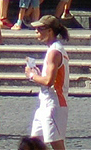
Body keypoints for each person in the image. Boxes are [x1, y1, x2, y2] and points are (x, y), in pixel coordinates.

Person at [23, 16, 68, 150]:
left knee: (56, 144)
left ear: (50, 31)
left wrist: (31, 75)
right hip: (46, 103)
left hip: (54, 104)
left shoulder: (54, 52)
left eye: (39, 29)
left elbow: (49, 81)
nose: (36, 31)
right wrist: (37, 73)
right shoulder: (53, 49)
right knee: (34, 144)